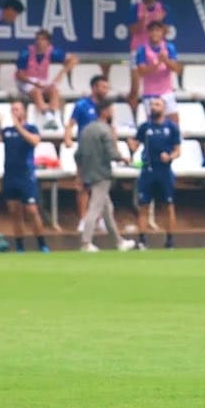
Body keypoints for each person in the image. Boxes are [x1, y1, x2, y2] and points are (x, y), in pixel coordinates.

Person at [76, 100, 137, 252]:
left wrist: (80, 173)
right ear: (105, 111)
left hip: (88, 172)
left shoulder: (86, 129)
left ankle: (119, 242)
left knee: (107, 209)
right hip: (102, 173)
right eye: (111, 110)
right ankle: (85, 242)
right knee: (95, 208)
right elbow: (111, 153)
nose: (112, 113)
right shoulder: (105, 130)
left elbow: (78, 154)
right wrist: (124, 158)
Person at [0, 101, 49, 253]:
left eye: (17, 109)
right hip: (10, 175)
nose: (14, 112)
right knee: (14, 211)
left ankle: (42, 243)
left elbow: (34, 141)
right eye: (12, 109)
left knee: (31, 210)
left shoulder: (31, 128)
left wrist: (19, 127)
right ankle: (19, 246)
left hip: (26, 175)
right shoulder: (7, 130)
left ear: (23, 111)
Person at [130, 96, 181, 249]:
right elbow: (135, 146)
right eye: (152, 104)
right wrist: (130, 143)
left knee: (168, 205)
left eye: (157, 104)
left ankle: (170, 240)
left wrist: (170, 156)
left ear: (164, 108)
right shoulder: (145, 127)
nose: (154, 107)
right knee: (144, 205)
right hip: (148, 170)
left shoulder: (171, 127)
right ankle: (142, 240)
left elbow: (178, 150)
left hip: (164, 170)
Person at [64, 74, 112, 234]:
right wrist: (68, 139)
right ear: (94, 88)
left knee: (101, 188)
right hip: (86, 152)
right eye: (102, 87)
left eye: (107, 87)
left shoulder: (107, 106)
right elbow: (70, 124)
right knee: (83, 186)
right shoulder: (82, 105)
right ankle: (83, 219)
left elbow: (112, 127)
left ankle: (100, 220)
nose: (105, 90)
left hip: (102, 153)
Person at [15, 29, 76, 131]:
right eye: (37, 39)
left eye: (43, 39)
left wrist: (61, 74)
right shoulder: (26, 53)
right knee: (37, 91)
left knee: (54, 90)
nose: (39, 42)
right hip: (26, 81)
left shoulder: (52, 52)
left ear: (48, 42)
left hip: (42, 81)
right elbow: (20, 75)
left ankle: (51, 116)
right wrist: (34, 83)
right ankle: (50, 118)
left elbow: (74, 59)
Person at [127, 0, 172, 111]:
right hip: (136, 50)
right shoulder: (135, 8)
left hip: (157, 51)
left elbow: (167, 32)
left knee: (158, 85)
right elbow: (132, 31)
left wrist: (160, 21)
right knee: (135, 86)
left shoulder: (164, 9)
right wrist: (143, 21)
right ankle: (132, 115)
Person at [134, 20, 182, 124]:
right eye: (152, 30)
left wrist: (165, 60)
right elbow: (141, 71)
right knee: (153, 122)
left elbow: (176, 69)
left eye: (158, 30)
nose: (155, 33)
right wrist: (156, 65)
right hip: (150, 93)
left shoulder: (169, 47)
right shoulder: (142, 50)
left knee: (174, 120)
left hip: (167, 92)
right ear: (148, 33)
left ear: (162, 32)